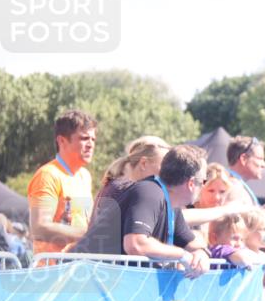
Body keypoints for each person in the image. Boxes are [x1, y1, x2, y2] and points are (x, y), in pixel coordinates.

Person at [71, 145, 211, 278]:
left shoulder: (172, 205)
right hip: (80, 281)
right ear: (191, 183)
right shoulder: (149, 192)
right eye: (204, 181)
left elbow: (192, 244)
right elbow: (135, 244)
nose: (203, 187)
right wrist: (182, 255)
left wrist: (201, 254)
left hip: (101, 282)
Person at [27, 109, 97, 255]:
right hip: (53, 266)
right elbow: (39, 228)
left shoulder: (85, 176)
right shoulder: (48, 175)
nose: (90, 144)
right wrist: (88, 234)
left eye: (93, 139)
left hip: (80, 264)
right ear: (62, 141)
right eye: (84, 138)